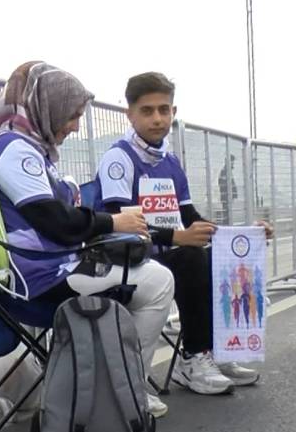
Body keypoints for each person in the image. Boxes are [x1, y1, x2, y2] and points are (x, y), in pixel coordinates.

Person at [0, 61, 175, 417]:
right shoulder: (15, 151)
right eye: (71, 115)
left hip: (41, 269)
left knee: (145, 271)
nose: (75, 125)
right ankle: (123, 390)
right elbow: (56, 222)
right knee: (159, 281)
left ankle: (107, 382)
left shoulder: (19, 146)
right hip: (41, 278)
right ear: (45, 107)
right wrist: (114, 221)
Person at [92, 72, 267, 395]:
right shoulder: (119, 158)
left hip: (163, 253)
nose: (157, 119)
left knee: (221, 258)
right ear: (129, 114)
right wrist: (175, 238)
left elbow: (190, 218)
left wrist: (242, 235)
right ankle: (193, 359)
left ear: (174, 111)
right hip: (126, 256)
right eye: (147, 111)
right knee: (190, 257)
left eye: (164, 109)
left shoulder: (170, 161)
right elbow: (119, 221)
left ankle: (220, 350)